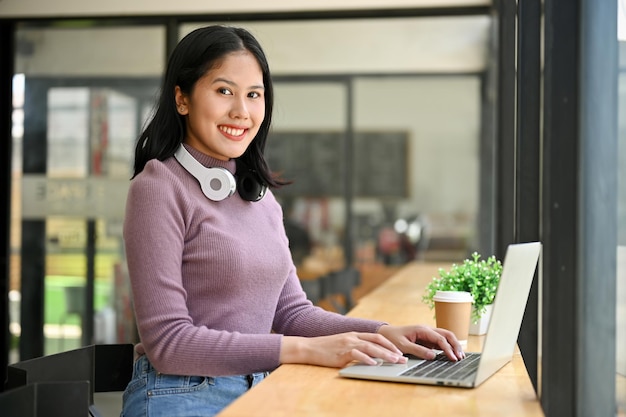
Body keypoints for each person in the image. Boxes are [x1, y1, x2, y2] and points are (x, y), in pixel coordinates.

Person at [121, 25, 465, 417]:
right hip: (180, 395)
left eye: (254, 95)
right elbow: (169, 343)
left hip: (261, 387)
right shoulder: (159, 187)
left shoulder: (257, 196)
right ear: (182, 99)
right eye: (224, 91)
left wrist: (384, 332)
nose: (242, 111)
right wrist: (305, 350)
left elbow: (292, 313)